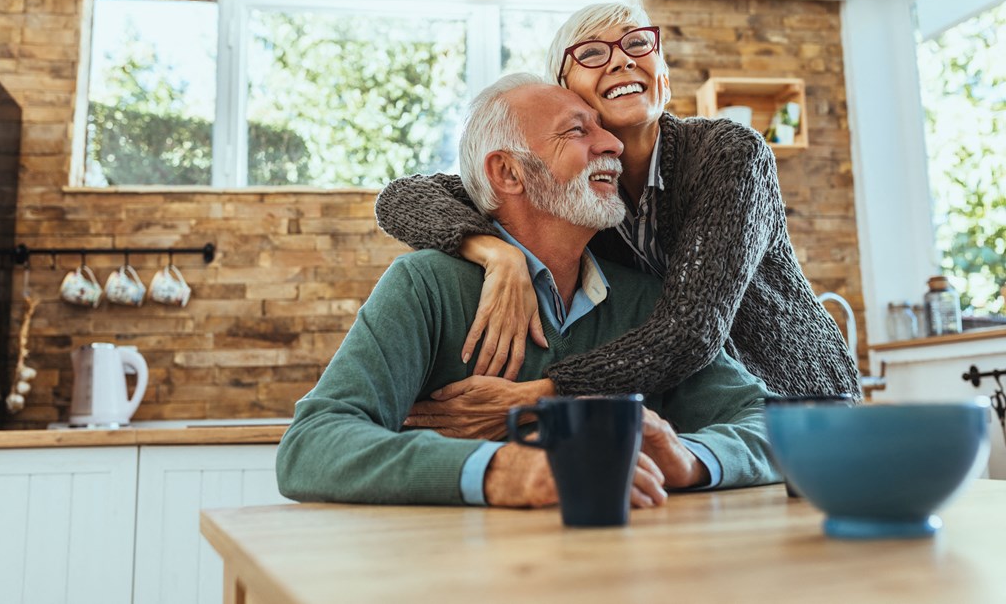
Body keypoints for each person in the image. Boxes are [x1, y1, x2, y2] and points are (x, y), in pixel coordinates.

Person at [276, 74, 780, 507]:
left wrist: (689, 459)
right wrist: (503, 470)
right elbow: (312, 445)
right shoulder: (426, 286)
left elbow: (771, 425)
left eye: (603, 129)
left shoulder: (645, 301)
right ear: (508, 172)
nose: (613, 145)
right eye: (578, 131)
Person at [375, 2, 860, 425]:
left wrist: (540, 397)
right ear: (563, 91)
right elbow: (402, 197)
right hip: (689, 413)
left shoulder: (729, 154)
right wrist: (497, 254)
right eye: (590, 53)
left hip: (795, 399)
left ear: (662, 77)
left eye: (637, 44)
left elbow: (691, 330)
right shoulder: (572, 191)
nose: (622, 58)